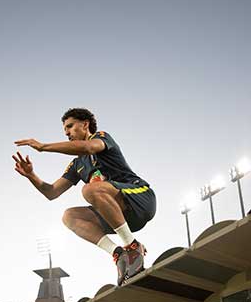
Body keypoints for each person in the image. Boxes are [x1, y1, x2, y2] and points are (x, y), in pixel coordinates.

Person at [14, 108, 156, 286]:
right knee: (69, 216)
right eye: (65, 129)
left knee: (90, 190)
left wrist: (43, 147)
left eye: (70, 126)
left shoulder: (101, 137)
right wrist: (31, 175)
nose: (67, 132)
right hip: (124, 218)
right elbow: (52, 192)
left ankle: (133, 247)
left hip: (140, 198)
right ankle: (118, 254)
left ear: (85, 124)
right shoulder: (76, 164)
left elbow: (88, 147)